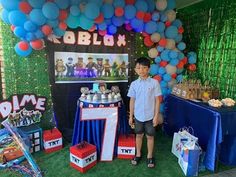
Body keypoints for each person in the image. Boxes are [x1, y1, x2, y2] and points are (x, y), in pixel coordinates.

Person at [127, 57, 162, 168]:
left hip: (150, 116)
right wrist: (131, 116)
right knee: (138, 135)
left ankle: (150, 156)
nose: (141, 70)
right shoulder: (134, 84)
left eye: (144, 68)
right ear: (135, 69)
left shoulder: (154, 83)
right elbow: (132, 100)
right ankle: (138, 154)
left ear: (149, 69)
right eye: (139, 68)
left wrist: (156, 116)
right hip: (138, 116)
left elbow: (157, 100)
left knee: (150, 136)